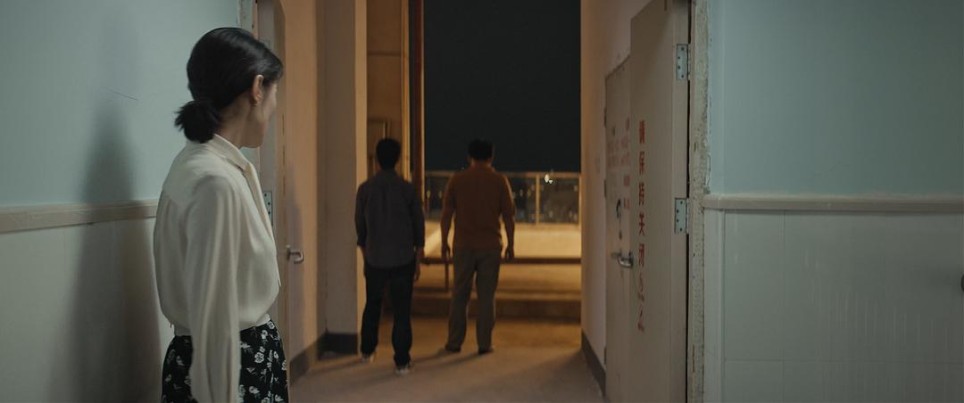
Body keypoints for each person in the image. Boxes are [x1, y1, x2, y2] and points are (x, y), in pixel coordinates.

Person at [153, 27, 286, 403]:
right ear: (257, 88)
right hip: (232, 366)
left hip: (234, 357)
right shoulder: (215, 181)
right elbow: (214, 325)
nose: (274, 109)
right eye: (275, 94)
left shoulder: (207, 164)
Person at [354, 138, 426, 375]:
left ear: (376, 160)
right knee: (402, 311)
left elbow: (360, 226)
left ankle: (367, 350)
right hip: (402, 258)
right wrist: (418, 258)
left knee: (372, 305)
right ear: (397, 160)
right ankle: (402, 361)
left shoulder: (365, 189)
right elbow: (418, 226)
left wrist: (366, 252)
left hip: (375, 257)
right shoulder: (407, 189)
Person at [440, 139, 516, 355]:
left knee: (459, 295)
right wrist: (511, 244)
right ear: (491, 157)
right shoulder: (500, 181)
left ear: (469, 157)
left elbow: (446, 214)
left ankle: (454, 342)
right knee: (486, 296)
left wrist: (444, 242)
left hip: (463, 245)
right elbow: (509, 216)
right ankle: (484, 343)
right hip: (490, 246)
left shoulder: (457, 180)